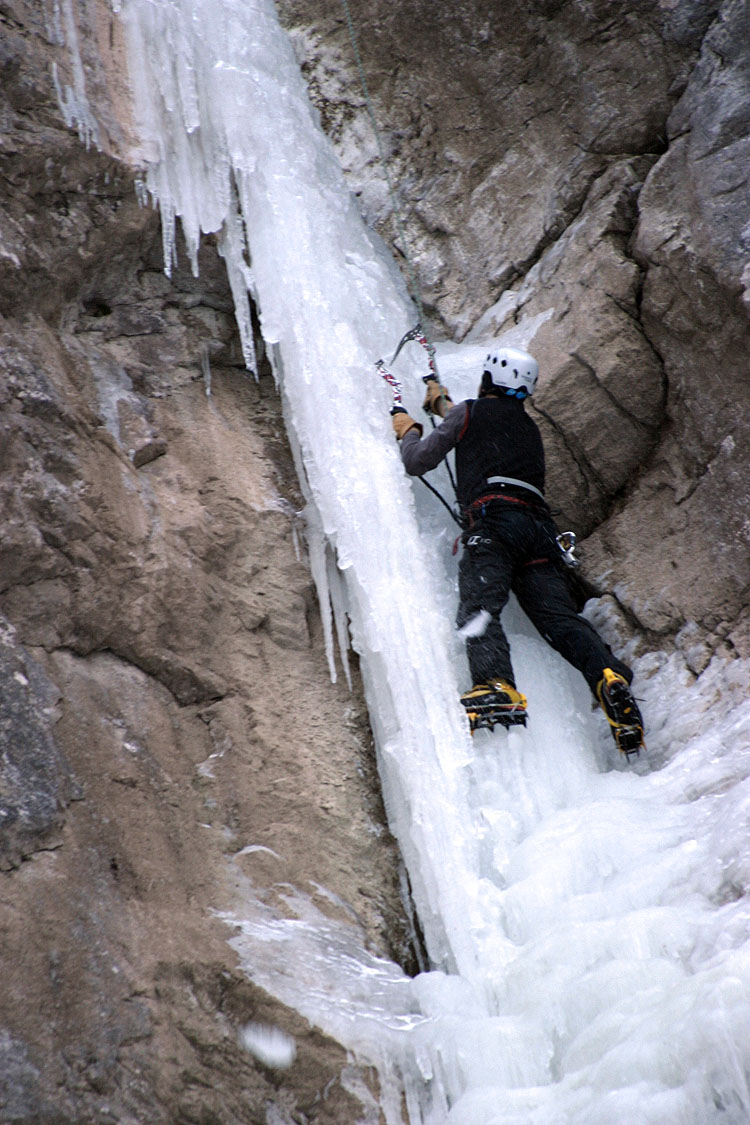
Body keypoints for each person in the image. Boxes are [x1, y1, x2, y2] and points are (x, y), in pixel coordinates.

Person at [391, 345, 644, 755]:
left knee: (480, 607)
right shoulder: (527, 429)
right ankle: (609, 677)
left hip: (493, 525)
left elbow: (419, 461)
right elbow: (481, 430)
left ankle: (496, 685)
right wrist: (443, 405)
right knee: (559, 620)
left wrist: (409, 431)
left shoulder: (470, 412)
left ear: (488, 379)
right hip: (538, 533)